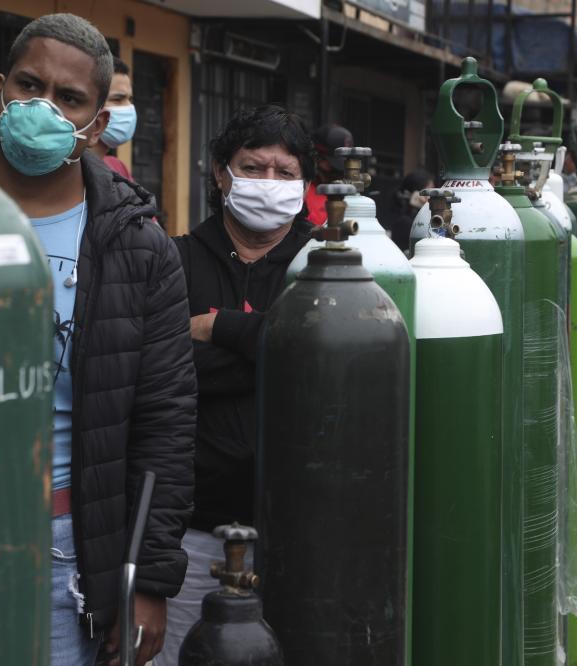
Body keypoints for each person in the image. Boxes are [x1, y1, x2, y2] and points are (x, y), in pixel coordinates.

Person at [0, 14, 196, 664]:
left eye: (68, 99)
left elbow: (165, 424)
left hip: (66, 548)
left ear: (96, 124)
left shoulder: (138, 247)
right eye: (28, 85)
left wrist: (147, 581)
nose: (42, 107)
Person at [153, 104, 316, 665]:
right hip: (191, 528)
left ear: (305, 186)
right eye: (253, 166)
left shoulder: (324, 264)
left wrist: (219, 326)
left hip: (303, 527)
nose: (268, 183)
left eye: (284, 172)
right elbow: (160, 366)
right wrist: (271, 349)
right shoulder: (172, 260)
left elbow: (321, 365)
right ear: (221, 172)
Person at [90, 56, 136, 178]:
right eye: (117, 99)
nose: (129, 107)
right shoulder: (65, 175)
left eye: (130, 99)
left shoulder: (118, 168)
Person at [304, 123, 352, 225]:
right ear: (316, 156)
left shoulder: (349, 192)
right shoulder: (301, 191)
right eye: (332, 163)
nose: (338, 170)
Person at [381, 169, 434, 253]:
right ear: (416, 194)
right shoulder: (404, 222)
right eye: (429, 191)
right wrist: (426, 207)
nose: (432, 197)